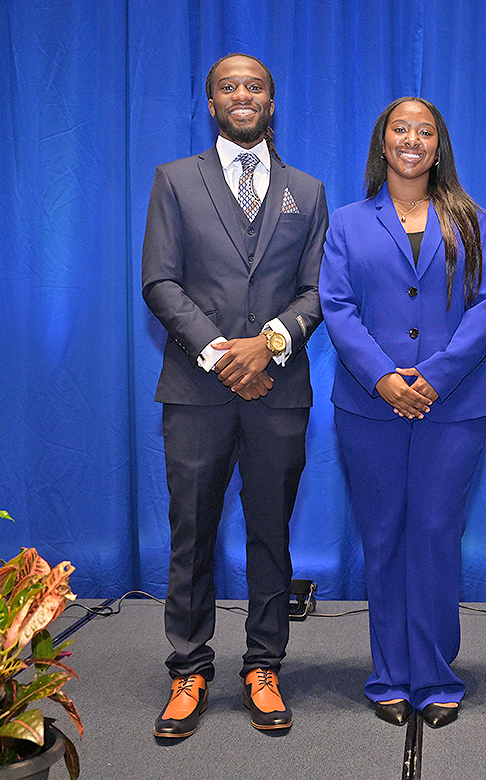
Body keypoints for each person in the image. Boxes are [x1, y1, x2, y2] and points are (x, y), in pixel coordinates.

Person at [141, 53, 327, 738]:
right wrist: (224, 354)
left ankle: (264, 664)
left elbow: (318, 292)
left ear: (271, 104)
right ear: (212, 102)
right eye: (229, 87)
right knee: (191, 533)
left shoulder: (307, 192)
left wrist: (270, 343)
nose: (242, 95)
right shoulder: (174, 181)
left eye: (255, 87)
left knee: (270, 535)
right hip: (197, 390)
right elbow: (160, 283)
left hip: (278, 391)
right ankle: (188, 669)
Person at [320, 97, 486, 729]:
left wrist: (432, 377)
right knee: (383, 538)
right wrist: (385, 379)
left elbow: (485, 307)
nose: (413, 139)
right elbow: (337, 308)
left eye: (425, 131)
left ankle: (436, 674)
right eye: (401, 129)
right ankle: (389, 675)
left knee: (434, 536)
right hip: (369, 410)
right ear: (383, 141)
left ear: (439, 145)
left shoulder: (472, 219)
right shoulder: (347, 222)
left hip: (453, 412)